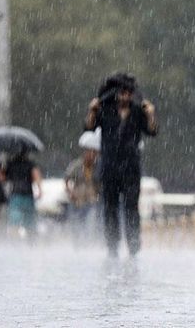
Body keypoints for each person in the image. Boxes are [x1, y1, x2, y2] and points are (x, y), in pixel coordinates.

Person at [85, 73, 157, 258]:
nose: (125, 97)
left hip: (131, 167)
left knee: (131, 206)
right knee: (110, 207)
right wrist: (92, 111)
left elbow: (152, 131)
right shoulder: (104, 109)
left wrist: (150, 115)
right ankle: (112, 246)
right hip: (109, 166)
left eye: (128, 93)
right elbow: (88, 127)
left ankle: (133, 246)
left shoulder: (138, 111)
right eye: (122, 93)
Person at [64, 131, 101, 247]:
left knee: (90, 227)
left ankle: (88, 247)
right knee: (76, 228)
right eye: (90, 152)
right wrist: (70, 192)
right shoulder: (77, 165)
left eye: (94, 153)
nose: (92, 155)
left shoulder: (98, 167)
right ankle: (78, 248)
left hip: (91, 202)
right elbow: (66, 179)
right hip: (76, 202)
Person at [5, 151, 43, 243]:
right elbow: (36, 176)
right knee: (30, 223)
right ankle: (31, 244)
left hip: (15, 196)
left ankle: (15, 244)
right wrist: (40, 190)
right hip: (28, 196)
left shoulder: (10, 163)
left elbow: (3, 177)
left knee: (14, 223)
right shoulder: (30, 164)